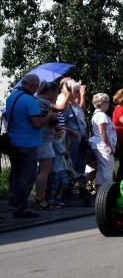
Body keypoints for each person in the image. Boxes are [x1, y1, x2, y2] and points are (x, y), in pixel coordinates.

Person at [5, 74, 57, 218]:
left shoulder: (12, 97)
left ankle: (15, 201)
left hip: (13, 140)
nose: (37, 89)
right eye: (36, 86)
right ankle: (21, 208)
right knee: (28, 175)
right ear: (33, 85)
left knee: (16, 174)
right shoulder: (30, 101)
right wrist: (48, 117)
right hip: (28, 142)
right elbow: (37, 124)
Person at [34, 81, 61, 209]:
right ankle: (40, 197)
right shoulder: (45, 104)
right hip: (44, 140)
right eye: (56, 92)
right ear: (49, 92)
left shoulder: (37, 102)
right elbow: (53, 118)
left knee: (41, 170)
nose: (57, 95)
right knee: (45, 171)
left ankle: (39, 196)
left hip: (39, 139)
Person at [89, 93, 117, 189]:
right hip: (104, 145)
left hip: (100, 145)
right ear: (101, 103)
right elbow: (103, 132)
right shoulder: (101, 115)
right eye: (107, 102)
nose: (109, 104)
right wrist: (109, 146)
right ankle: (106, 191)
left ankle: (99, 191)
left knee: (101, 169)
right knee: (108, 169)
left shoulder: (96, 114)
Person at [63, 79, 88, 178]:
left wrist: (82, 94)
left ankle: (79, 187)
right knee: (73, 166)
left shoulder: (76, 105)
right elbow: (60, 123)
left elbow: (83, 108)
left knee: (81, 166)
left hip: (81, 139)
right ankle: (71, 187)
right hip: (73, 140)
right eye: (77, 91)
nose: (79, 93)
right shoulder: (67, 107)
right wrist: (72, 131)